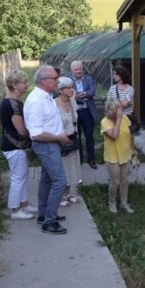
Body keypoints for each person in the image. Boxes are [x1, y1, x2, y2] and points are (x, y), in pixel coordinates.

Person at [24, 66, 71, 235]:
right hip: (46, 144)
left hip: (51, 143)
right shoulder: (36, 100)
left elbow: (48, 122)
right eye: (54, 78)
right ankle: (49, 221)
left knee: (47, 180)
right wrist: (59, 138)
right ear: (44, 81)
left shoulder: (46, 96)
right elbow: (36, 134)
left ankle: (44, 214)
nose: (58, 81)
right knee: (60, 181)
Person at [0, 70, 37, 220]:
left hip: (12, 145)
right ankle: (15, 210)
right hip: (14, 146)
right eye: (24, 82)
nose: (27, 85)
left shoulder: (8, 101)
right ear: (15, 85)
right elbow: (21, 130)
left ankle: (24, 204)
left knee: (22, 175)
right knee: (18, 178)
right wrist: (35, 134)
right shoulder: (14, 104)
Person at [101, 100, 137, 214]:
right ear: (112, 110)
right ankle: (111, 203)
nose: (122, 111)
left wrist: (133, 150)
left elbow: (130, 135)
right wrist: (119, 120)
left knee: (125, 181)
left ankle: (124, 203)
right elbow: (114, 136)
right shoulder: (105, 122)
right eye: (119, 109)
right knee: (115, 182)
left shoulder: (125, 118)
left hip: (125, 154)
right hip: (112, 157)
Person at [54, 77, 82, 206]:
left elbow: (75, 120)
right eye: (69, 87)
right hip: (60, 141)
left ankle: (69, 194)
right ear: (60, 90)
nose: (72, 90)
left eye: (72, 87)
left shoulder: (72, 102)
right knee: (62, 169)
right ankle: (60, 197)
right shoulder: (54, 104)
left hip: (73, 139)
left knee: (72, 167)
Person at [70, 61, 99, 169]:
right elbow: (66, 93)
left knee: (89, 136)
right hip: (75, 112)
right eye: (76, 69)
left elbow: (93, 91)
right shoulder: (69, 80)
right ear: (72, 71)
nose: (78, 71)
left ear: (83, 69)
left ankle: (91, 159)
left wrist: (86, 93)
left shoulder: (88, 79)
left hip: (87, 111)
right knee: (77, 137)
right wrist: (75, 97)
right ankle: (79, 159)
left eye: (80, 69)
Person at [106, 65, 137, 131]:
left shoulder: (130, 89)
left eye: (115, 74)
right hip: (114, 118)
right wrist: (121, 103)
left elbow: (125, 104)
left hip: (127, 119)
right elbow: (108, 104)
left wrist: (114, 103)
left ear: (121, 74)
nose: (114, 76)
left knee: (127, 138)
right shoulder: (112, 88)